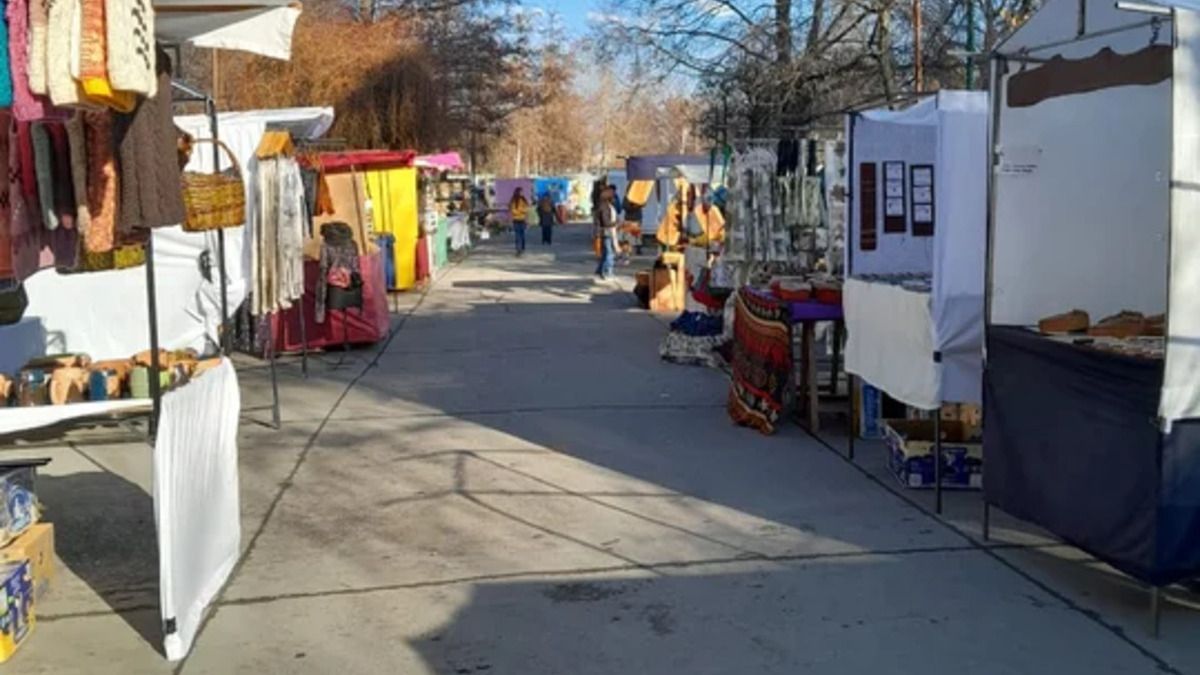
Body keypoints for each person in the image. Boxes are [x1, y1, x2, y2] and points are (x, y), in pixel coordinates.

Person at [595, 187, 619, 280]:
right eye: (613, 196)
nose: (615, 198)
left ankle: (600, 270)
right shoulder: (604, 207)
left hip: (607, 231)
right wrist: (616, 223)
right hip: (607, 231)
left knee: (605, 252)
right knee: (609, 253)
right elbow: (606, 222)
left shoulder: (606, 205)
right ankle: (608, 272)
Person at [509, 187, 529, 256]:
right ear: (517, 192)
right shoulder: (513, 200)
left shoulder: (524, 200)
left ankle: (522, 247)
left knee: (522, 235)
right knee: (517, 235)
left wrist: (520, 210)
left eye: (522, 192)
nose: (522, 193)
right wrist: (521, 211)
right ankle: (518, 249)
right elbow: (512, 210)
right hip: (516, 219)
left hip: (523, 219)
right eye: (520, 192)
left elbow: (526, 209)